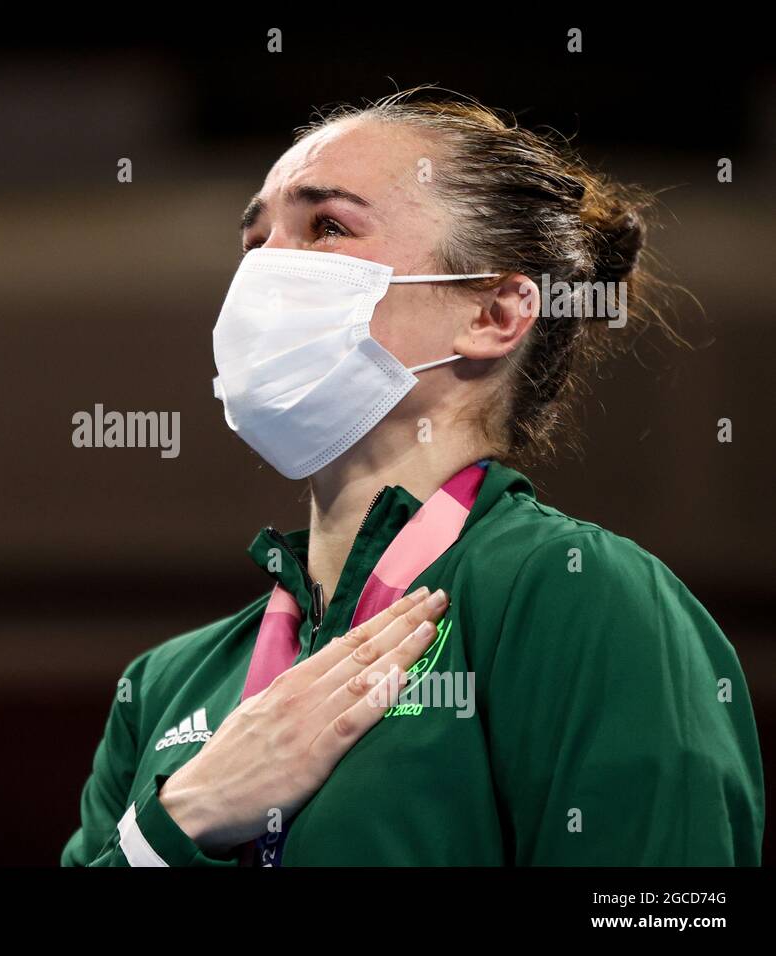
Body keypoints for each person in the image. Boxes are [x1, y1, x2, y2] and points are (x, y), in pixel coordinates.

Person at [60, 88, 764, 866]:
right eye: (256, 240)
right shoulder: (165, 684)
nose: (265, 272)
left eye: (327, 225)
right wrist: (182, 818)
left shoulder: (577, 596)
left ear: (494, 314)